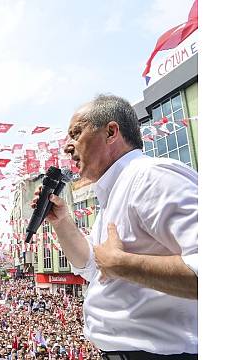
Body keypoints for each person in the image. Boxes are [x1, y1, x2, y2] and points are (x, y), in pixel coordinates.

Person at [31, 94, 197, 359]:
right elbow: (93, 268)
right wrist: (62, 222)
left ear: (111, 132)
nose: (67, 147)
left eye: (77, 133)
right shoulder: (114, 192)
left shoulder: (151, 177)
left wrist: (124, 265)